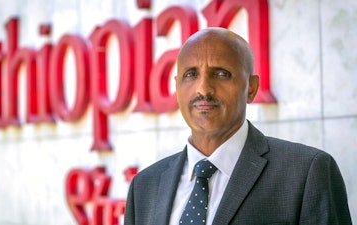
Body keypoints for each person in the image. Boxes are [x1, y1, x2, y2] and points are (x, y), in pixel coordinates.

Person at [123, 27, 352, 225]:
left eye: (221, 74)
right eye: (190, 74)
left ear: (251, 88)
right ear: (177, 87)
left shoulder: (306, 173)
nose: (203, 89)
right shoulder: (144, 187)